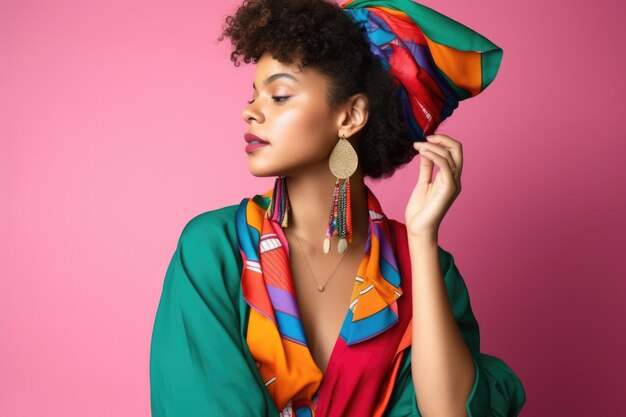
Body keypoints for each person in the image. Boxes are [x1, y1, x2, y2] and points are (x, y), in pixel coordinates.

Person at [149, 0, 527, 416]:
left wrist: (421, 240)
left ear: (350, 117)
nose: (250, 112)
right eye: (253, 95)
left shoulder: (427, 269)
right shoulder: (214, 250)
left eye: (278, 95)